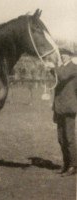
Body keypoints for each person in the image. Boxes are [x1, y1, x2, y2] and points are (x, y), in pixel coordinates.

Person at [51, 48, 77, 176]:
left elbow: (61, 76)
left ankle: (73, 166)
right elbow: (57, 76)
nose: (62, 56)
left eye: (65, 54)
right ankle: (66, 164)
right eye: (61, 54)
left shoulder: (73, 67)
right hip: (59, 107)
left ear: (70, 56)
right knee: (61, 138)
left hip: (69, 107)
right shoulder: (63, 68)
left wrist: (54, 66)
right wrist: (51, 69)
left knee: (69, 138)